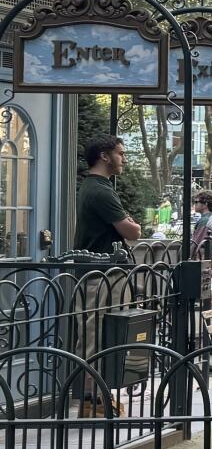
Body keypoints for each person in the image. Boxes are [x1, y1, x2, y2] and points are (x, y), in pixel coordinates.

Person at [72, 137, 144, 418]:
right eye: (120, 154)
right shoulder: (100, 191)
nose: (124, 159)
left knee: (101, 333)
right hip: (100, 275)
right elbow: (131, 231)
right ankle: (93, 401)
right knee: (97, 334)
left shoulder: (96, 188)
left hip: (101, 273)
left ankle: (98, 398)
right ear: (104, 156)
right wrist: (132, 224)